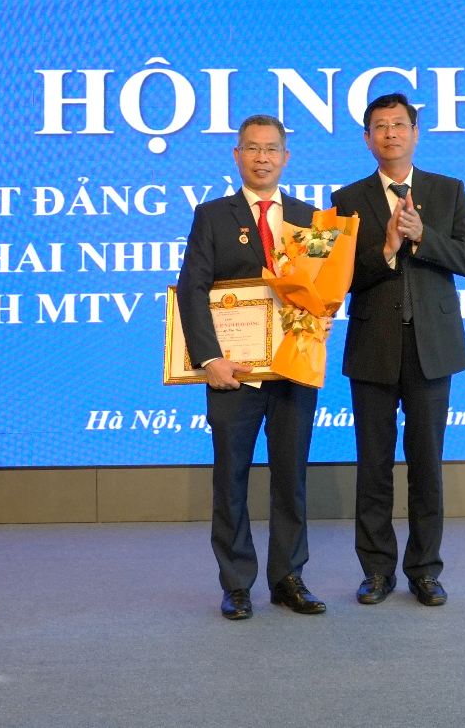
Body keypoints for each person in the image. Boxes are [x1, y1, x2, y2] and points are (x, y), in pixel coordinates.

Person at [331, 92, 465, 607]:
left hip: (432, 350)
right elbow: (340, 279)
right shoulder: (347, 199)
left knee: (426, 466)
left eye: (399, 124)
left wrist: (423, 236)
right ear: (367, 138)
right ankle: (377, 571)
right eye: (380, 126)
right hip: (373, 347)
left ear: (415, 133)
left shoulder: (447, 191)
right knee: (373, 466)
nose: (390, 133)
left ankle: (424, 570)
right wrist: (387, 249)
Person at [176, 115, 326, 620]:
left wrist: (323, 316)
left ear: (286, 157)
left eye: (271, 149)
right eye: (253, 148)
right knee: (231, 479)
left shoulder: (309, 218)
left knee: (292, 478)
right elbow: (192, 289)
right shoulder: (212, 216)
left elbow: (321, 289)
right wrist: (209, 359)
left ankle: (288, 579)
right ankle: (236, 583)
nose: (262, 158)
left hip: (292, 370)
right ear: (237, 155)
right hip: (232, 373)